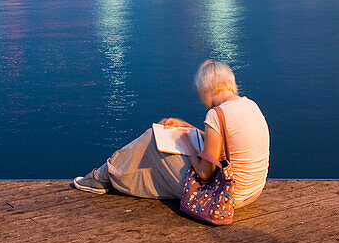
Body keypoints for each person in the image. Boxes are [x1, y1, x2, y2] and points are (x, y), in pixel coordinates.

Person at [72, 60, 270, 208]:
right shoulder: (249, 105)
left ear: (207, 88)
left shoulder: (216, 114)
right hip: (253, 192)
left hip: (227, 197)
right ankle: (107, 175)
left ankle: (101, 177)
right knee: (161, 141)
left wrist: (187, 143)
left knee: (152, 137)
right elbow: (227, 143)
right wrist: (186, 126)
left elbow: (205, 172)